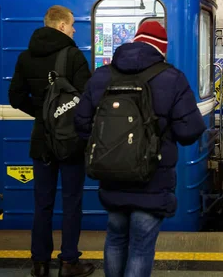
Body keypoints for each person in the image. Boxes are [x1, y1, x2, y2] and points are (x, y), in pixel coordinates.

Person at [74, 21, 206, 277]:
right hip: (152, 180)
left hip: (111, 178)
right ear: (161, 49)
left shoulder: (101, 75)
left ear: (135, 40)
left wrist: (110, 147)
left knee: (115, 239)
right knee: (141, 248)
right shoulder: (172, 78)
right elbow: (190, 131)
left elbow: (80, 123)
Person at [8, 5, 94, 277]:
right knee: (71, 202)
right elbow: (87, 99)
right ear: (60, 26)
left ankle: (40, 263)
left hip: (41, 141)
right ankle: (69, 262)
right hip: (69, 142)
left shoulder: (25, 57)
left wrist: (43, 114)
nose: (74, 29)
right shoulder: (73, 57)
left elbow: (16, 97)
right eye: (71, 25)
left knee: (42, 203)